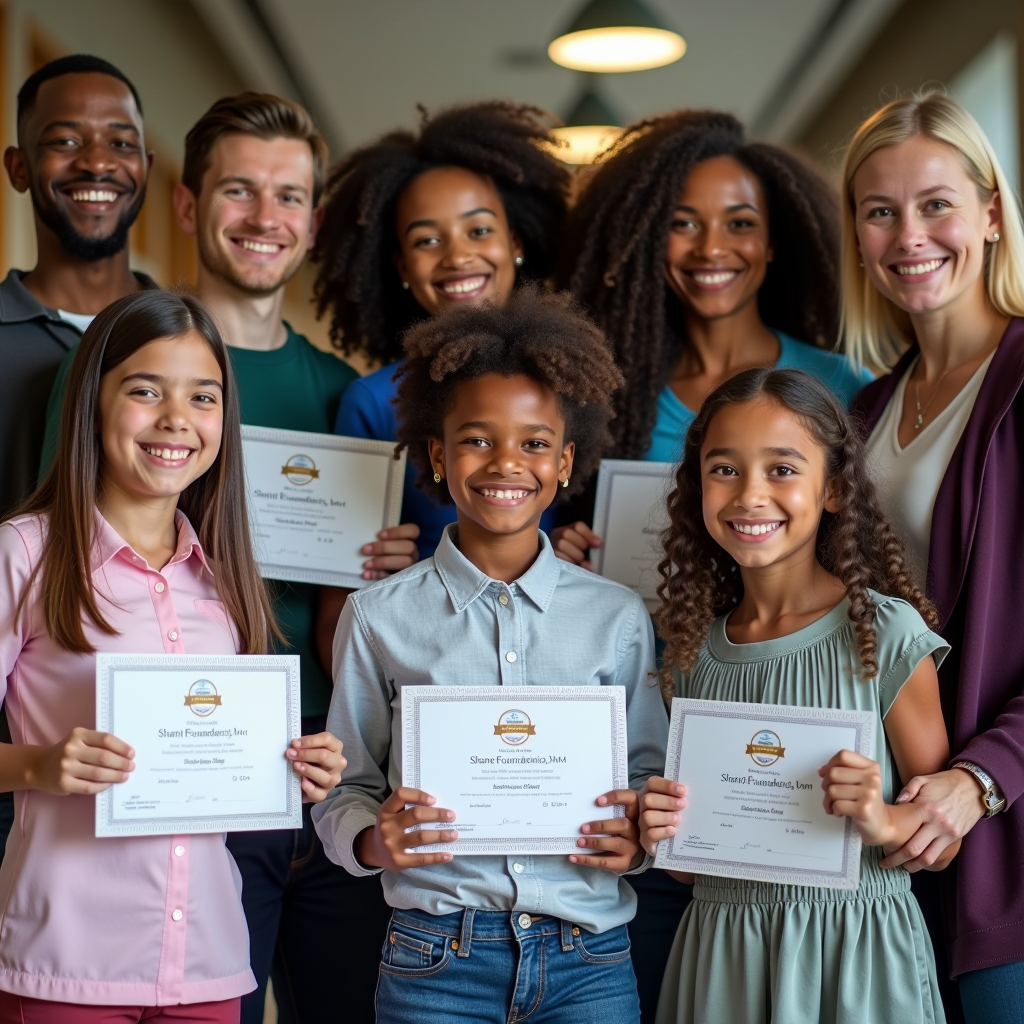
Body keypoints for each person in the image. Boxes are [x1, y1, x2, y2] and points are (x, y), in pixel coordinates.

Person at [40, 92, 405, 1024]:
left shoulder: (345, 394)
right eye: (240, 190)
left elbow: (360, 608)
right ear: (188, 204)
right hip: (153, 771)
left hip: (318, 758)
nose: (264, 217)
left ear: (312, 223)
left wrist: (385, 563)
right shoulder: (112, 366)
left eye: (290, 197)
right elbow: (60, 553)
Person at [312, 287, 669, 1024]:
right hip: (434, 961)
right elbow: (347, 786)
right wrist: (373, 841)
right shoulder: (377, 616)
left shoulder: (617, 617)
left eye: (534, 444)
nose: (507, 462)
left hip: (590, 961)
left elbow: (646, 776)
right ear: (437, 456)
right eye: (477, 440)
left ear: (565, 462)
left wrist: (636, 837)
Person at [0, 290, 343, 1023]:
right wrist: (39, 765)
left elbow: (220, 761)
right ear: (93, 402)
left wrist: (294, 767)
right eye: (145, 390)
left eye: (203, 397)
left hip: (208, 964)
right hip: (68, 964)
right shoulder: (24, 554)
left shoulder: (225, 577)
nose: (177, 419)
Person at [640, 367, 953, 1024]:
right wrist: (663, 831)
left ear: (834, 489)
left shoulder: (885, 633)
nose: (750, 494)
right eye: (724, 469)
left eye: (781, 469)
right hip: (723, 953)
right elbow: (693, 870)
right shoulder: (690, 652)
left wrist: (882, 820)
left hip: (856, 953)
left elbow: (944, 841)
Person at [843, 91, 1024, 1024]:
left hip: (1006, 842)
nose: (909, 235)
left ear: (991, 213)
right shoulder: (867, 411)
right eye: (881, 210)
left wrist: (983, 778)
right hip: (888, 847)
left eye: (936, 204)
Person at [310, 102, 570, 665]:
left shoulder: (574, 387)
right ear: (402, 266)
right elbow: (336, 626)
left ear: (515, 241)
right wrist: (382, 583)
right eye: (428, 240)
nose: (458, 255)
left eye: (479, 230)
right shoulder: (372, 404)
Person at [0, 52, 157, 869]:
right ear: (19, 167)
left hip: (156, 763)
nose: (97, 162)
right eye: (65, 141)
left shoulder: (185, 343)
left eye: (119, 142)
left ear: (146, 165)